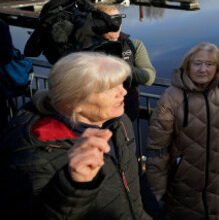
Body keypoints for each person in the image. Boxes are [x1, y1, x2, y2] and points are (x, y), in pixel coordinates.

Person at [0, 52, 152, 219]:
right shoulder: (33, 159)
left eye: (121, 83)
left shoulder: (119, 121)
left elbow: (133, 179)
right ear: (72, 103)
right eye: (110, 88)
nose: (123, 92)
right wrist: (72, 187)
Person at [146, 42, 219, 220]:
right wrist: (157, 189)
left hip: (217, 171)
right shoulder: (171, 97)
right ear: (188, 65)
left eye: (209, 64)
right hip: (184, 178)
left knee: (216, 212)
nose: (202, 69)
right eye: (197, 64)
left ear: (217, 68)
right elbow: (157, 148)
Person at [95, 3, 156, 121]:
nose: (118, 25)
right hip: (96, 117)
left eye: (119, 19)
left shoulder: (133, 45)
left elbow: (149, 78)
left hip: (127, 116)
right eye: (112, 21)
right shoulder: (86, 48)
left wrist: (121, 67)